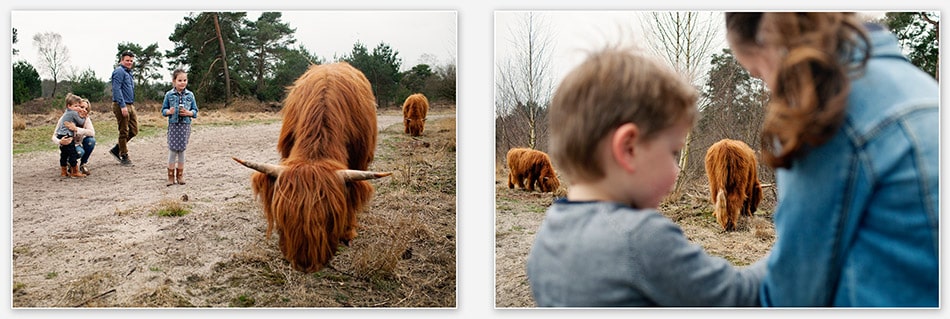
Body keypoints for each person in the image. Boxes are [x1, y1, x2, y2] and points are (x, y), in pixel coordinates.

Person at [725, 12, 938, 307]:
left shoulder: (824, 112)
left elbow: (794, 296)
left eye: (759, 74)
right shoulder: (921, 86)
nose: (771, 91)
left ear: (772, 41)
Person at [526, 47, 764, 307]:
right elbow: (742, 296)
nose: (676, 172)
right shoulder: (643, 240)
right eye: (673, 152)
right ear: (629, 149)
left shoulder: (546, 242)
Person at [160, 69, 198, 186]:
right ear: (174, 81)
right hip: (173, 126)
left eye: (185, 80)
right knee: (172, 151)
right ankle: (170, 177)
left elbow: (195, 111)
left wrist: (189, 113)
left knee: (182, 151)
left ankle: (180, 176)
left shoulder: (190, 95)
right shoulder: (169, 94)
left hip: (185, 126)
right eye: (180, 80)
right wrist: (169, 111)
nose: (182, 83)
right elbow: (163, 111)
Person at [52, 97, 96, 176]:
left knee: (91, 141)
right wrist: (60, 141)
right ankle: (70, 168)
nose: (83, 110)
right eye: (81, 107)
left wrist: (76, 129)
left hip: (78, 144)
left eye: (86, 109)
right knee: (76, 153)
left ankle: (83, 164)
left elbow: (92, 133)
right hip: (68, 142)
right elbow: (54, 135)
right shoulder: (65, 117)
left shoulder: (86, 119)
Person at [110, 50, 137, 166]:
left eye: (131, 61)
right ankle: (124, 155)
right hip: (122, 104)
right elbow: (116, 89)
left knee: (134, 130)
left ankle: (117, 148)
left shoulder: (129, 73)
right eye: (127, 60)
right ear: (122, 60)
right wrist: (122, 106)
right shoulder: (119, 71)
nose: (129, 62)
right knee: (124, 131)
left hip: (130, 104)